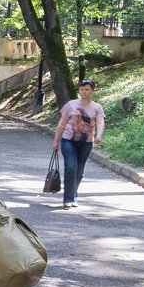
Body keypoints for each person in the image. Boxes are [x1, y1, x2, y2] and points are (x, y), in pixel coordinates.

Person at [51, 79, 104, 209]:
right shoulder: (71, 105)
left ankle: (73, 194)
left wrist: (99, 134)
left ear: (92, 91)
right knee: (71, 168)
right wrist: (56, 141)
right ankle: (68, 199)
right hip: (68, 140)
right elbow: (62, 124)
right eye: (82, 89)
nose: (84, 92)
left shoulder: (97, 107)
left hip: (86, 142)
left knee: (79, 171)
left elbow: (100, 122)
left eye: (87, 89)